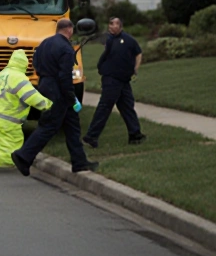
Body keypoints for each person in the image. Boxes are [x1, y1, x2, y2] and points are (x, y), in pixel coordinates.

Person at [11, 19, 98, 176]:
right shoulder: (66, 48)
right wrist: (72, 98)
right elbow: (65, 77)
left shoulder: (44, 44)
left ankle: (79, 162)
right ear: (69, 30)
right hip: (57, 90)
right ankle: (23, 156)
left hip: (44, 84)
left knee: (72, 125)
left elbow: (35, 64)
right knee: (49, 125)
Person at [0, 49, 52, 172]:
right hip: (10, 121)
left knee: (4, 148)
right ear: (24, 64)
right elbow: (32, 97)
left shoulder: (1, 75)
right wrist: (49, 105)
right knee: (14, 155)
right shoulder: (18, 78)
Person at [84, 17, 145, 148]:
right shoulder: (109, 39)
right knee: (105, 107)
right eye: (111, 24)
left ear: (121, 26)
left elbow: (138, 53)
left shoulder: (128, 40)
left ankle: (135, 134)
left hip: (124, 80)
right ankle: (91, 136)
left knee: (127, 107)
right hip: (111, 79)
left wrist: (135, 69)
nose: (113, 26)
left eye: (116, 24)